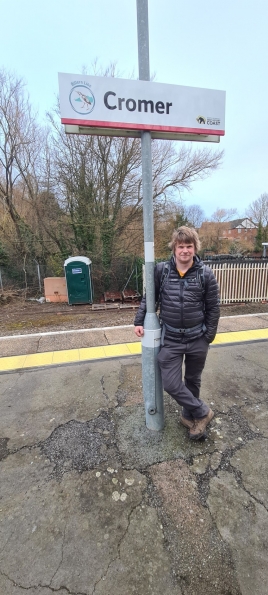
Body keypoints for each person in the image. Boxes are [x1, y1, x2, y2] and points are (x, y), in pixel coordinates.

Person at [134, 226, 220, 440]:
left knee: (193, 380)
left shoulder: (205, 274)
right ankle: (203, 412)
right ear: (174, 248)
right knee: (171, 383)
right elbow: (149, 298)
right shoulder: (162, 271)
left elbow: (213, 307)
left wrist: (208, 336)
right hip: (171, 338)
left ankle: (190, 419)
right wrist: (139, 320)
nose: (185, 250)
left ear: (195, 248)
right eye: (181, 246)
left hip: (197, 337)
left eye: (189, 246)